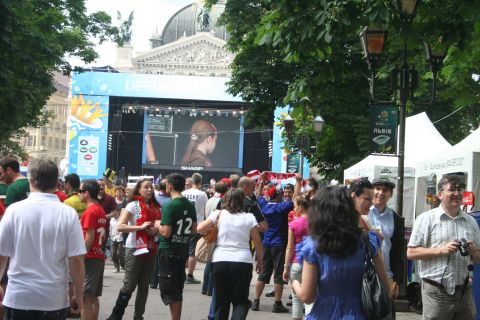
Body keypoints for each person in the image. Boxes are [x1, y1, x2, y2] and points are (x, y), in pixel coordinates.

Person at [0, 159, 86, 320]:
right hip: (54, 300)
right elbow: (76, 260)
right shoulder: (68, 214)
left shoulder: (13, 211)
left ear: (30, 181)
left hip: (19, 297)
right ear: (56, 183)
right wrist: (78, 295)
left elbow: (2, 255)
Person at [292, 185, 390, 319]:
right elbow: (385, 286)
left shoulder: (312, 246)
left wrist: (295, 285)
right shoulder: (367, 241)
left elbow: (308, 297)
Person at [407, 174, 480, 319]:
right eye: (452, 190)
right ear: (440, 194)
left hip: (464, 291)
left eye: (460, 190)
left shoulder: (471, 221)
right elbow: (411, 253)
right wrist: (441, 250)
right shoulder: (426, 219)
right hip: (436, 292)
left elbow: (477, 258)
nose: (457, 193)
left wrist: (473, 251)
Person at [197, 188, 264, 320]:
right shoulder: (249, 217)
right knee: (240, 300)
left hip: (220, 260)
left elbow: (199, 229)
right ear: (242, 201)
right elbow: (258, 243)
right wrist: (260, 262)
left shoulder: (218, 214)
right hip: (243, 262)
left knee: (221, 300)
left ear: (225, 200)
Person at [106, 179, 160, 320]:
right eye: (146, 187)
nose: (149, 190)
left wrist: (155, 231)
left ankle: (138, 316)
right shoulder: (132, 205)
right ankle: (116, 314)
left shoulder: (156, 207)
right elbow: (120, 226)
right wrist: (140, 228)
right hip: (134, 248)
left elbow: (159, 226)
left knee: (144, 286)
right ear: (139, 190)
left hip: (151, 249)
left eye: (151, 187)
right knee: (129, 285)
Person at [251, 173, 302, 313]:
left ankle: (256, 301)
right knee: (278, 275)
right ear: (278, 196)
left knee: (263, 274)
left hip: (266, 243)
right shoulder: (281, 208)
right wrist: (298, 182)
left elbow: (257, 195)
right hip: (279, 244)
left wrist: (261, 181)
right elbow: (295, 198)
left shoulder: (263, 205)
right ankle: (277, 303)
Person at [155, 173, 197, 320]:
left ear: (170, 186)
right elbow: (194, 229)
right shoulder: (189, 205)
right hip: (183, 249)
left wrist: (157, 224)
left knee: (170, 288)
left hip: (168, 250)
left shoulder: (169, 205)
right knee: (178, 287)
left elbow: (166, 232)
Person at [368, 177, 405, 300]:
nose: (381, 193)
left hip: (386, 275)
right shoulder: (362, 213)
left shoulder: (396, 219)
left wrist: (397, 279)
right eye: (377, 189)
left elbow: (398, 251)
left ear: (391, 194)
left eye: (385, 190)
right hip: (363, 273)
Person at [79, 179, 107, 320]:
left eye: (80, 191)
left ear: (87, 193)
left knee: (86, 298)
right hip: (98, 255)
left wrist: (80, 257)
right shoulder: (100, 209)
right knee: (93, 297)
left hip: (90, 257)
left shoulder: (90, 211)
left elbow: (89, 238)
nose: (79, 194)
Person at [283, 197, 310, 320]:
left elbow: (289, 247)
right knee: (313, 297)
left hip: (296, 263)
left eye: (295, 206)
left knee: (297, 298)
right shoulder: (318, 223)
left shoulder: (293, 224)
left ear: (301, 207)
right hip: (313, 263)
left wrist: (286, 268)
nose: (294, 209)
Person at [202, 181, 229, 297]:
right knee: (214, 262)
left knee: (209, 261)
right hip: (217, 233)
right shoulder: (223, 201)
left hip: (209, 231)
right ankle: (210, 289)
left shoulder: (209, 200)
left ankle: (205, 288)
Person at [182, 173, 208, 284]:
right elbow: (206, 211)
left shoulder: (183, 193)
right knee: (192, 252)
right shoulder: (203, 194)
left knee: (183, 250)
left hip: (182, 225)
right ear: (200, 182)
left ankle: (181, 274)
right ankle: (190, 275)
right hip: (197, 226)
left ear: (192, 181)